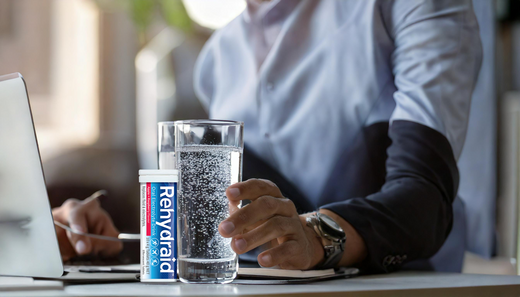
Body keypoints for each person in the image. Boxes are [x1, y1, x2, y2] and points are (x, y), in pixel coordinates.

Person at [52, 0, 482, 273]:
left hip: (400, 283)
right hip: (261, 285)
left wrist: (316, 235)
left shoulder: (411, 7)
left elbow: (424, 198)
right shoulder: (219, 57)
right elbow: (216, 219)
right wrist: (103, 240)